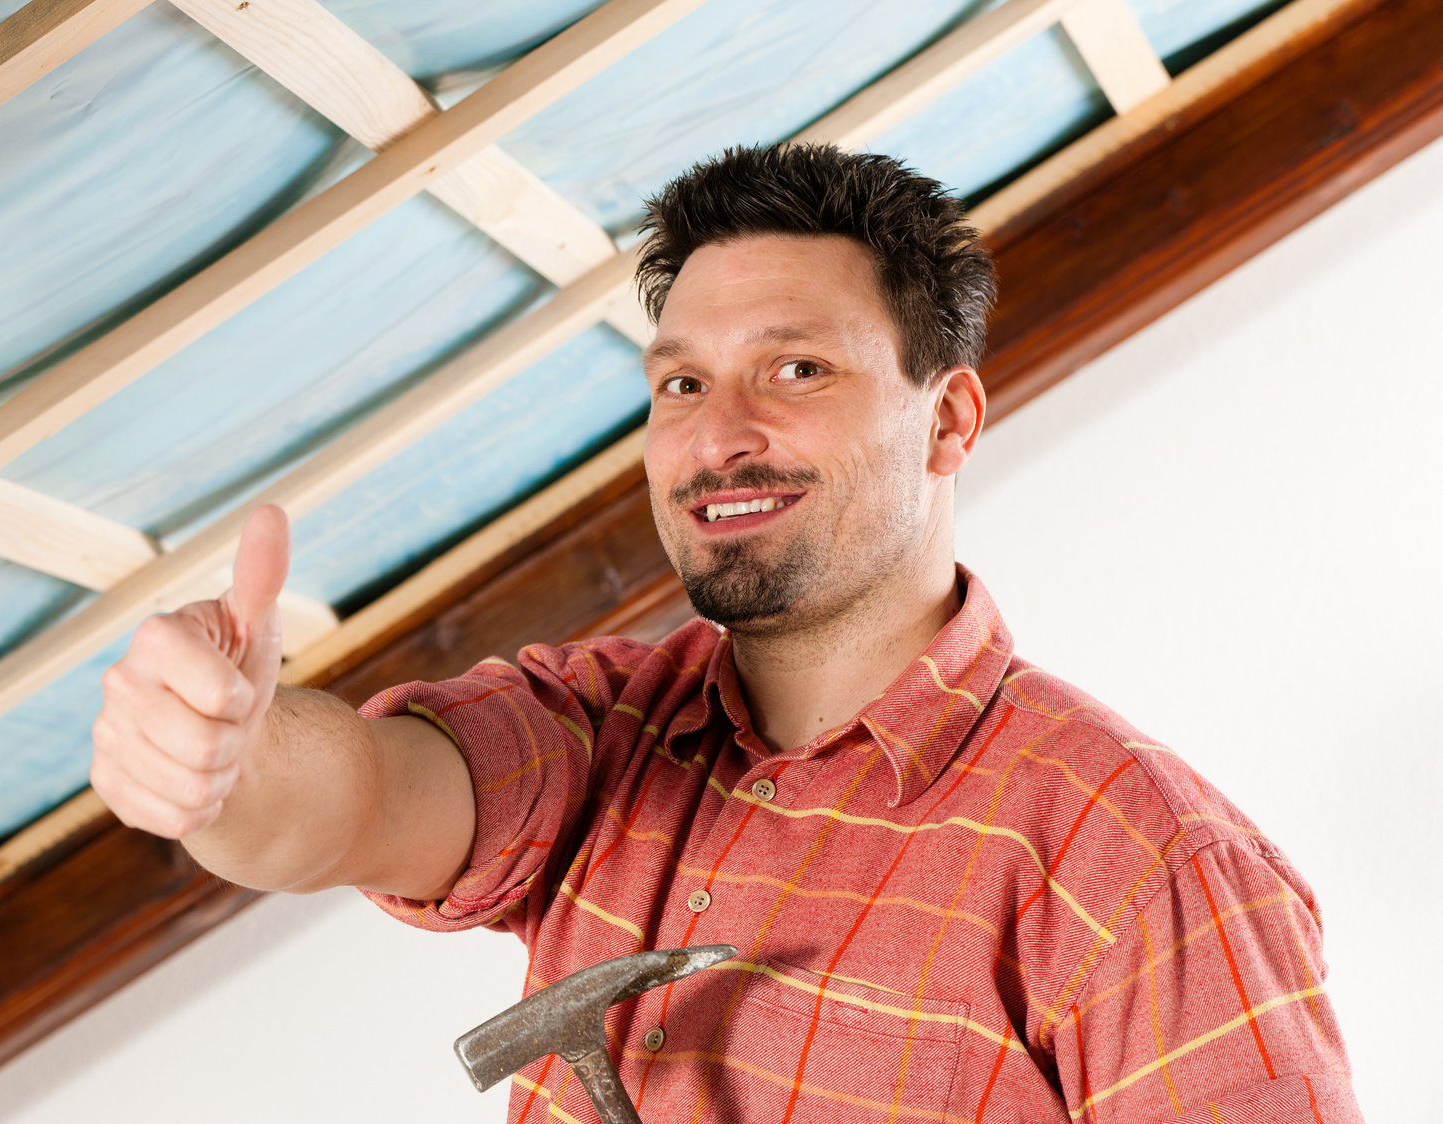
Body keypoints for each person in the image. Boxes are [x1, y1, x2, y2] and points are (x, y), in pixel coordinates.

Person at [90, 144, 1361, 1122]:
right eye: (679, 382)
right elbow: (364, 799)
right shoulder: (600, 729)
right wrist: (228, 762)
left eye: (795, 368)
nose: (715, 435)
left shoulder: (1136, 862)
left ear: (949, 420)